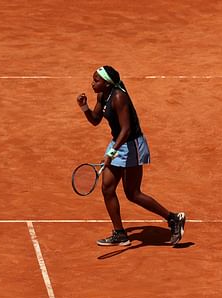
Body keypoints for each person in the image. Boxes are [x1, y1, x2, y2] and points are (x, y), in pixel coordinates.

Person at [76, 66, 185, 246]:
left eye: (96, 81)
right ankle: (120, 234)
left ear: (107, 83)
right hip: (118, 142)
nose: (92, 83)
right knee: (107, 189)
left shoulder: (119, 97)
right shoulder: (102, 95)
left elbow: (126, 129)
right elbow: (95, 120)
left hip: (132, 145)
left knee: (133, 193)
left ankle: (173, 219)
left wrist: (111, 153)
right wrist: (84, 107)